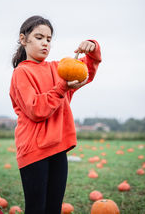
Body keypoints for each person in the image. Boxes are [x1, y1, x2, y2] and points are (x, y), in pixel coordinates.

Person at [9, 15, 102, 214]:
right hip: (34, 151)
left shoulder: (59, 69)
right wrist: (62, 87)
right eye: (39, 37)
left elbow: (87, 72)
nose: (45, 43)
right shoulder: (21, 73)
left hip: (58, 149)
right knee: (36, 209)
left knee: (53, 208)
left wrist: (92, 48)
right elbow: (36, 109)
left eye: (49, 39)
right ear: (24, 39)